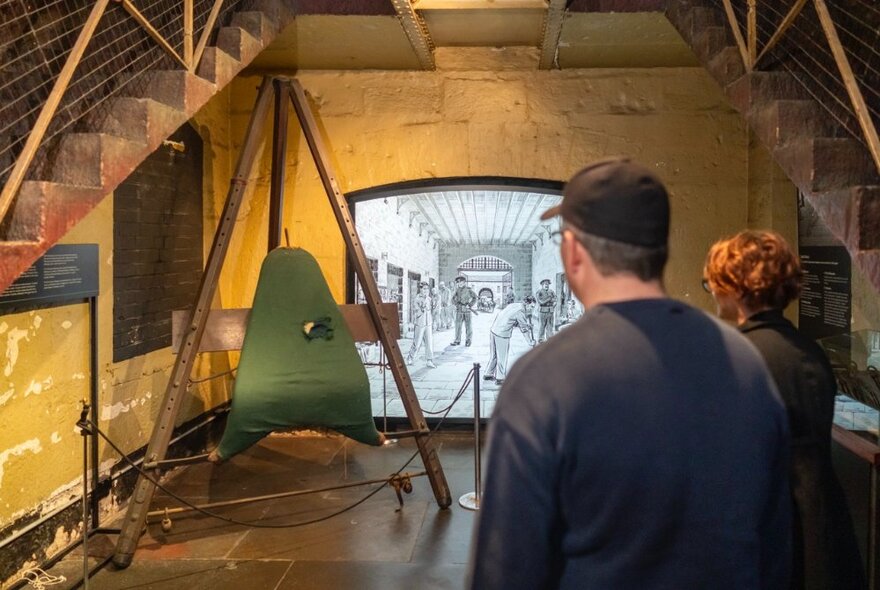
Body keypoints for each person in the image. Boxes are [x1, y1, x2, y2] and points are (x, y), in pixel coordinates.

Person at [467, 157, 791, 589]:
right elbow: (775, 547)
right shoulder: (746, 362)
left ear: (573, 252)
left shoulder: (543, 380)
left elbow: (507, 567)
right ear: (661, 250)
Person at [704, 230, 866, 590]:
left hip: (772, 539)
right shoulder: (809, 351)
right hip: (826, 531)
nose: (712, 290)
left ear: (736, 285)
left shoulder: (736, 358)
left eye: (713, 282)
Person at [484, 296, 537, 385]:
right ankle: (500, 378)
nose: (531, 309)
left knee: (494, 355)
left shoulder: (514, 305)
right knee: (502, 357)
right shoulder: (521, 311)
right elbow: (523, 329)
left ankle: (488, 374)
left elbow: (511, 319)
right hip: (502, 333)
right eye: (531, 307)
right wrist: (530, 341)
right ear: (527, 303)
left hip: (494, 330)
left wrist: (526, 324)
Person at [406, 282, 436, 368]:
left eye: (427, 289)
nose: (426, 290)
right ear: (420, 289)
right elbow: (417, 311)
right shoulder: (417, 299)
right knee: (417, 343)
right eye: (424, 289)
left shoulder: (430, 299)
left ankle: (429, 360)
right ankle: (410, 358)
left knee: (429, 343)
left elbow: (432, 311)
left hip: (428, 323)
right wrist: (422, 308)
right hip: (420, 323)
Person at [451, 275, 477, 347]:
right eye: (458, 282)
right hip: (459, 310)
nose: (459, 283)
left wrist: (470, 304)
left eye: (461, 282)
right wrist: (457, 305)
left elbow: (475, 298)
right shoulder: (457, 290)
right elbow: (452, 299)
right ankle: (457, 340)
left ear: (464, 282)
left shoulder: (469, 290)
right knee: (458, 326)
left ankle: (468, 340)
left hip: (467, 310)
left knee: (468, 326)